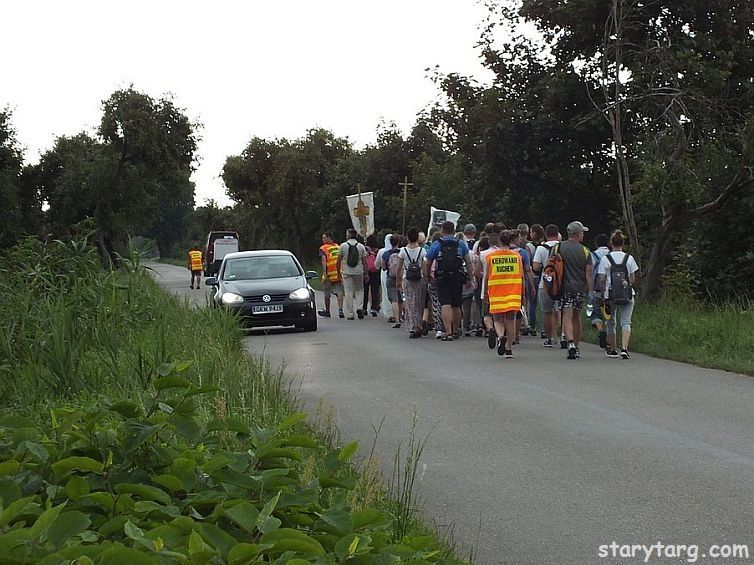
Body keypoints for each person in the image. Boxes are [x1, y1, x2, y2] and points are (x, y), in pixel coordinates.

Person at [424, 221, 473, 341]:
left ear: (442, 230)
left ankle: (448, 332)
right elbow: (468, 262)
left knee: (445, 304)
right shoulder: (460, 243)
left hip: (442, 277)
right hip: (457, 276)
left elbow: (428, 262)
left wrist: (428, 276)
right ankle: (456, 330)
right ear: (454, 230)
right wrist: (469, 277)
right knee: (456, 304)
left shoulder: (437, 244)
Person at [598, 230, 639, 359]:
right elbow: (633, 278)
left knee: (611, 322)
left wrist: (602, 293)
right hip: (627, 294)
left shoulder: (606, 259)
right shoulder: (629, 258)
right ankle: (625, 349)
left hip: (610, 295)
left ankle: (613, 349)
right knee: (626, 322)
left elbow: (602, 278)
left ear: (611, 243)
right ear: (623, 243)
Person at [483, 229, 524, 358]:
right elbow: (522, 277)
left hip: (496, 292)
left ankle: (501, 337)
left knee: (498, 320)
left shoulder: (491, 257)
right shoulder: (517, 257)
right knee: (511, 321)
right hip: (513, 293)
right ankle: (509, 349)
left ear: (500, 241)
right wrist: (523, 295)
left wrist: (485, 293)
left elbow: (487, 276)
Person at [558, 221, 594, 359]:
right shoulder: (585, 251)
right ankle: (577, 346)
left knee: (566, 315)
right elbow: (589, 274)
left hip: (563, 287)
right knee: (576, 316)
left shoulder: (558, 247)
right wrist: (590, 292)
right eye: (582, 232)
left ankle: (570, 343)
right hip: (579, 288)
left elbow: (550, 268)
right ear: (578, 234)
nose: (583, 235)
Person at [532, 224, 562, 347]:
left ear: (546, 235)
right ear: (557, 234)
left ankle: (549, 338)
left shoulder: (541, 248)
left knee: (547, 312)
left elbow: (535, 266)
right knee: (560, 311)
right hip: (560, 283)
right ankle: (563, 336)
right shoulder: (562, 247)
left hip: (545, 284)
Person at [396, 227, 427, 338]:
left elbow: (399, 268)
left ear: (408, 238)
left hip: (407, 279)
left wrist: (398, 281)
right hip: (420, 279)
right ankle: (418, 325)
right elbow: (424, 267)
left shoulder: (403, 251)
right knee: (419, 303)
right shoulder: (422, 251)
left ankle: (412, 326)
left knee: (409, 303)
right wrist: (426, 279)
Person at [339, 229, 368, 320]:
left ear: (348, 235)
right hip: (359, 271)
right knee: (360, 290)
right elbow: (365, 262)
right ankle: (359, 307)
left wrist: (338, 272)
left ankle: (350, 313)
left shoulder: (343, 246)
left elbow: (338, 260)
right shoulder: (361, 246)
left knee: (348, 292)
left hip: (347, 271)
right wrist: (366, 273)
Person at [589, 233, 611, 348]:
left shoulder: (593, 255)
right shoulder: (612, 255)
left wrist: (590, 289)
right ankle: (609, 335)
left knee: (596, 313)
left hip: (597, 289)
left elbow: (589, 272)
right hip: (610, 290)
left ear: (596, 244)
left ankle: (601, 330)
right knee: (609, 314)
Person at [318, 232, 344, 318]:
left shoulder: (323, 248)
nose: (323, 239)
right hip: (337, 273)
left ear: (329, 238)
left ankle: (328, 311)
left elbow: (324, 260)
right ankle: (340, 310)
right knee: (339, 291)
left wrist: (325, 273)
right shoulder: (338, 247)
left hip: (329, 273)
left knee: (327, 293)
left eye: (324, 237)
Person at [383, 235, 403, 327]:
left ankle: (396, 319)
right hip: (401, 277)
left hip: (390, 277)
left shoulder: (386, 254)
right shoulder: (401, 252)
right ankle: (401, 316)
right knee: (400, 299)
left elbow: (383, 268)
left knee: (394, 299)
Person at [363, 234, 381, 317]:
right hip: (376, 271)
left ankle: (364, 307)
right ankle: (374, 307)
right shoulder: (378, 251)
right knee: (375, 290)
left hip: (367, 270)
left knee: (365, 290)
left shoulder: (365, 249)